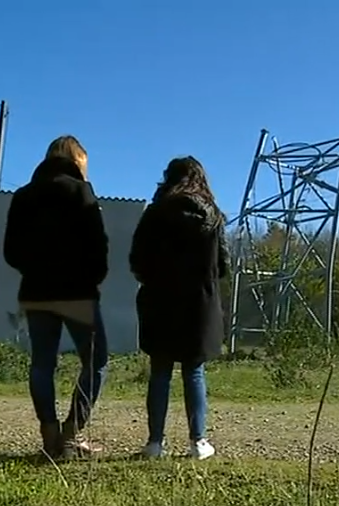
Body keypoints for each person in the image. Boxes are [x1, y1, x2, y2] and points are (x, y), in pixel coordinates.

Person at [2, 135, 110, 459]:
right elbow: (98, 245)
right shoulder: (81, 192)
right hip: (77, 291)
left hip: (36, 292)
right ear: (78, 162)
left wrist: (35, 269)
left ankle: (48, 433)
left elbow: (11, 252)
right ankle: (70, 432)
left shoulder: (23, 196)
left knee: (42, 364)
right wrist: (93, 277)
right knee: (97, 361)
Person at [129, 156, 227, 460]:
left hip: (160, 301)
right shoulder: (214, 217)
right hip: (199, 303)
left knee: (160, 371)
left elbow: (136, 261)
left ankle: (155, 443)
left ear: (167, 178)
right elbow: (223, 265)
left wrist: (155, 280)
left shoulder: (154, 214)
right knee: (193, 371)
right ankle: (198, 443)